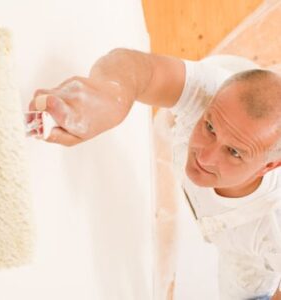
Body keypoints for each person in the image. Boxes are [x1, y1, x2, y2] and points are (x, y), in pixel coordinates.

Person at [28, 49, 281, 300]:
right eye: (210, 127)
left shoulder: (273, 231)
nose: (204, 157)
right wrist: (112, 93)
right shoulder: (217, 96)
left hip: (249, 260)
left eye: (234, 153)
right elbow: (137, 67)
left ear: (269, 166)